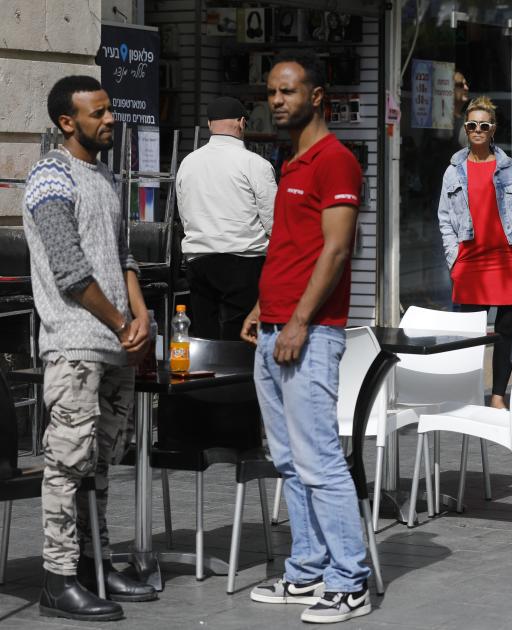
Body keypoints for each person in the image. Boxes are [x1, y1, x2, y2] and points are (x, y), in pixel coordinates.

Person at [240, 54, 372, 624]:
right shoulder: (291, 161)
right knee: (289, 460)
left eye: (288, 92)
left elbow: (337, 251)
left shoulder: (334, 161)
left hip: (309, 333)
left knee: (319, 460)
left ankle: (349, 581)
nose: (276, 101)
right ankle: (308, 569)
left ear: (318, 96)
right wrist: (263, 308)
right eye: (271, 92)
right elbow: (292, 250)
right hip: (274, 327)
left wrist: (296, 321)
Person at [22, 75, 157, 621]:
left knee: (99, 462)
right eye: (98, 113)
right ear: (66, 122)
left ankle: (93, 564)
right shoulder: (48, 179)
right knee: (67, 462)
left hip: (114, 343)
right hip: (75, 344)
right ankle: (58, 580)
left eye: (109, 110)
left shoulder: (103, 175)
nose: (110, 120)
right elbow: (70, 270)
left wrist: (141, 312)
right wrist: (122, 322)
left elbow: (122, 254)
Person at [437, 95, 512, 409]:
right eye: (471, 125)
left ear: (493, 130)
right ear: (465, 128)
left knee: (505, 330)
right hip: (472, 261)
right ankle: (468, 392)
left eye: (483, 125)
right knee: (470, 332)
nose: (477, 130)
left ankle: (498, 396)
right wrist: (454, 258)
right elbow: (445, 218)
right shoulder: (453, 171)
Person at [176, 96, 276, 340]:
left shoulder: (188, 163)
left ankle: (205, 379)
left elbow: (184, 213)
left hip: (199, 261)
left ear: (210, 125)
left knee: (205, 337)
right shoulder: (255, 164)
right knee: (240, 340)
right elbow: (275, 220)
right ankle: (237, 379)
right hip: (242, 262)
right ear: (242, 122)